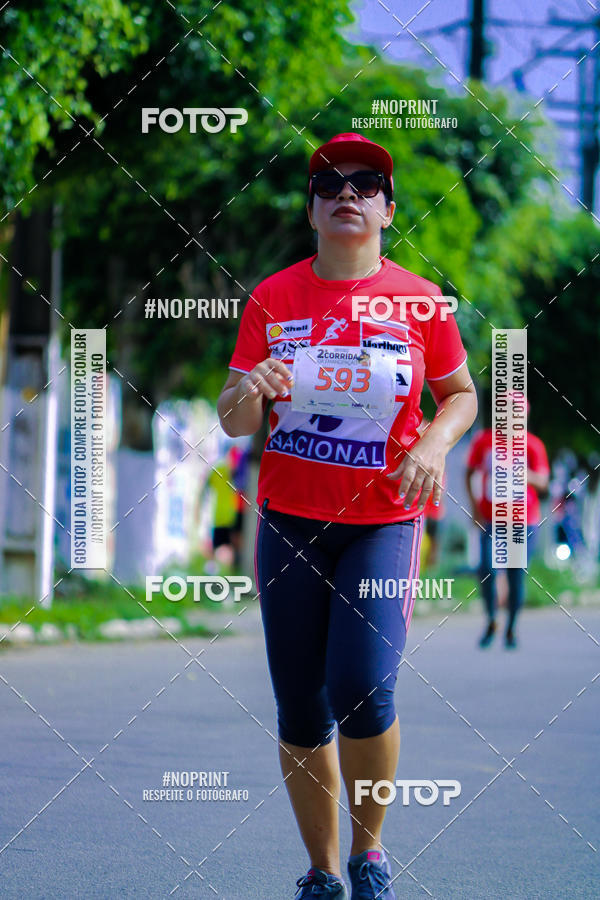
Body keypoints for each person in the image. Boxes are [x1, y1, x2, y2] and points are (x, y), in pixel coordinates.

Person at [217, 133, 477, 900]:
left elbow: (461, 395)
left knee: (362, 686)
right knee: (300, 702)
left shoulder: (422, 301)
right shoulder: (273, 297)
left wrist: (433, 442)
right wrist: (251, 390)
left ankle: (370, 857)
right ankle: (324, 872)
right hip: (290, 522)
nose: (348, 194)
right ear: (311, 210)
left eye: (367, 185)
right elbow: (233, 420)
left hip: (384, 521)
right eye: (330, 183)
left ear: (389, 211)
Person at [465, 398, 550, 650]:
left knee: (515, 575)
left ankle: (511, 625)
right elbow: (469, 471)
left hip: (524, 521)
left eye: (519, 414)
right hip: (491, 518)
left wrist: (528, 475)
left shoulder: (533, 445)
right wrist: (473, 507)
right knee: (486, 568)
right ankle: (492, 618)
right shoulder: (485, 441)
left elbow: (544, 482)